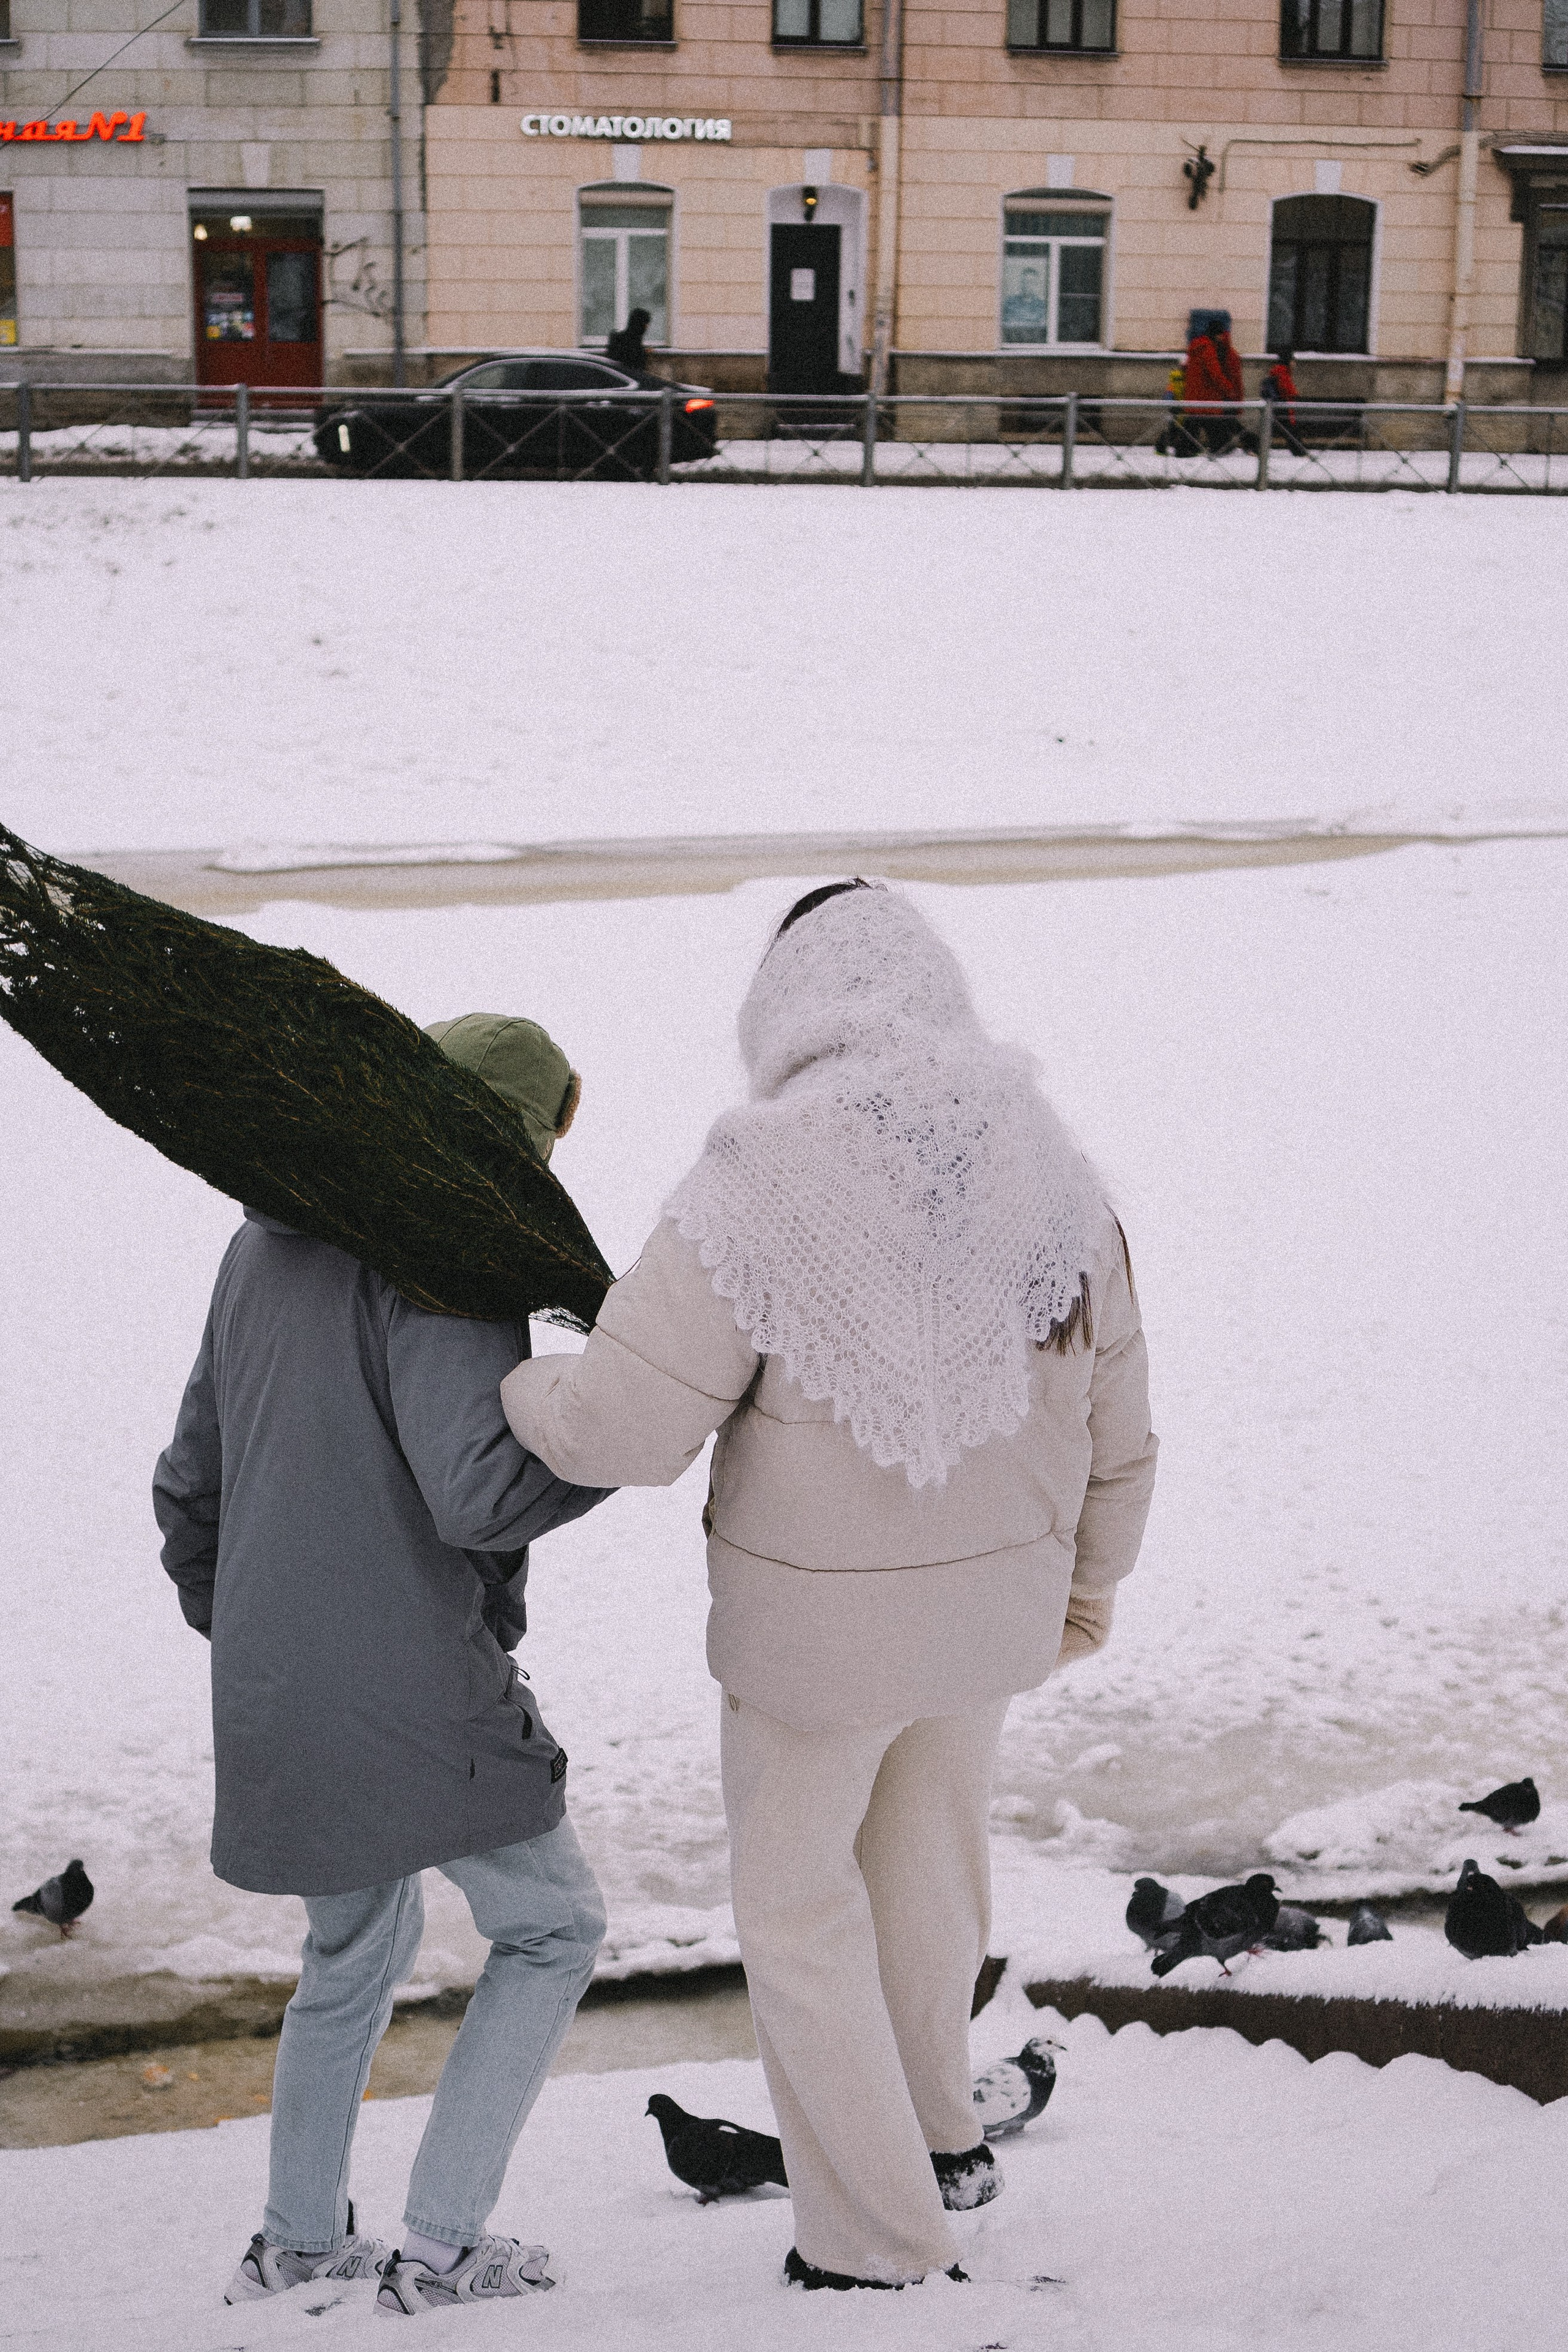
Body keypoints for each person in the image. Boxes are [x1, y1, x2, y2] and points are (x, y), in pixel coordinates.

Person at [499, 881, 1157, 2291]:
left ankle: (869, 2243)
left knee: (800, 1906)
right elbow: (1120, 1422)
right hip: (990, 1621)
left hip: (813, 1644)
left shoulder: (756, 1174)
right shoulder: (1052, 1168)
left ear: (784, 1003)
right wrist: (1082, 1592)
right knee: (927, 1871)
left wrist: (519, 1381)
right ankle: (938, 2140)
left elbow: (623, 1429)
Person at [154, 1013, 614, 2318]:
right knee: (551, 1925)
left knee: (353, 1943)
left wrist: (255, 1628)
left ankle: (296, 2242)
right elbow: (478, 1496)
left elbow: (190, 1483)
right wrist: (618, 1439)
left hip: (273, 1676)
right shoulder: (442, 1253)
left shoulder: (262, 1242)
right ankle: (445, 2245)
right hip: (409, 1679)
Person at [1183, 308, 1250, 454]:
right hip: (1207, 397)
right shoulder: (1208, 349)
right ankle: (1218, 449)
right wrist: (1229, 389)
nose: (1223, 338)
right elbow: (1215, 373)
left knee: (1193, 426)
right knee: (1214, 428)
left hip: (1195, 396)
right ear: (1217, 335)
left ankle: (1184, 450)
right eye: (1221, 335)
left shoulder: (1196, 347)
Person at [1261, 345, 1302, 454]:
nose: (1295, 363)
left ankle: (1299, 451)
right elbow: (1286, 389)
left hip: (1281, 405)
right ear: (1288, 361)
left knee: (1284, 430)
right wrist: (1295, 394)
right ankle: (1299, 452)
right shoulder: (1282, 372)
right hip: (1283, 406)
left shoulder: (1280, 371)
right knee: (1290, 431)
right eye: (1293, 360)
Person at [605, 305, 652, 371]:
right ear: (641, 324)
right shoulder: (634, 342)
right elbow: (635, 364)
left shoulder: (619, 339)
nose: (647, 327)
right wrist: (643, 353)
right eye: (646, 324)